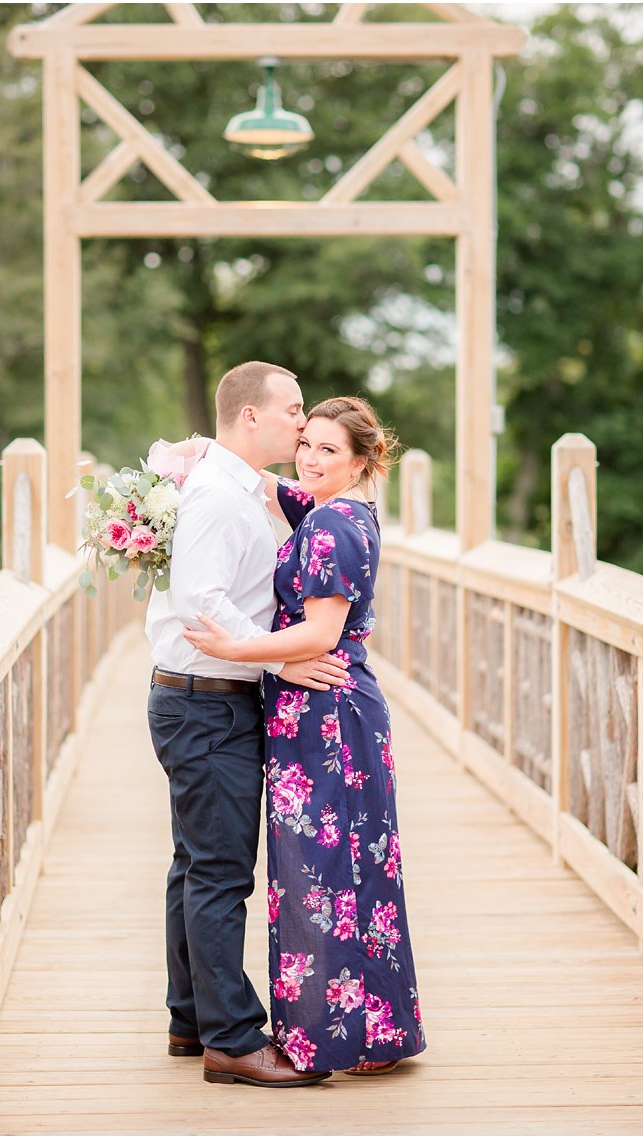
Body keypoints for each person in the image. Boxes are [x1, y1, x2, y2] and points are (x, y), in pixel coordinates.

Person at [183, 396, 425, 1076]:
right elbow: (268, 484)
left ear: (362, 462)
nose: (311, 459)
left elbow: (320, 633)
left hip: (328, 716)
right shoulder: (327, 508)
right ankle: (373, 1030)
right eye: (307, 443)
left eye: (328, 450)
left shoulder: (332, 529)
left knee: (326, 872)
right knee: (344, 866)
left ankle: (344, 1035)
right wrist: (195, 453)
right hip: (316, 712)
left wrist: (234, 649)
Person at [145, 361, 352, 1088]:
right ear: (253, 417)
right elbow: (198, 599)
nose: (304, 423)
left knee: (195, 864)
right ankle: (232, 1037)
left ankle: (189, 1016)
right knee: (221, 872)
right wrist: (279, 664)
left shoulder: (235, 486)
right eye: (293, 410)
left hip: (207, 698)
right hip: (207, 700)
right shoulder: (218, 499)